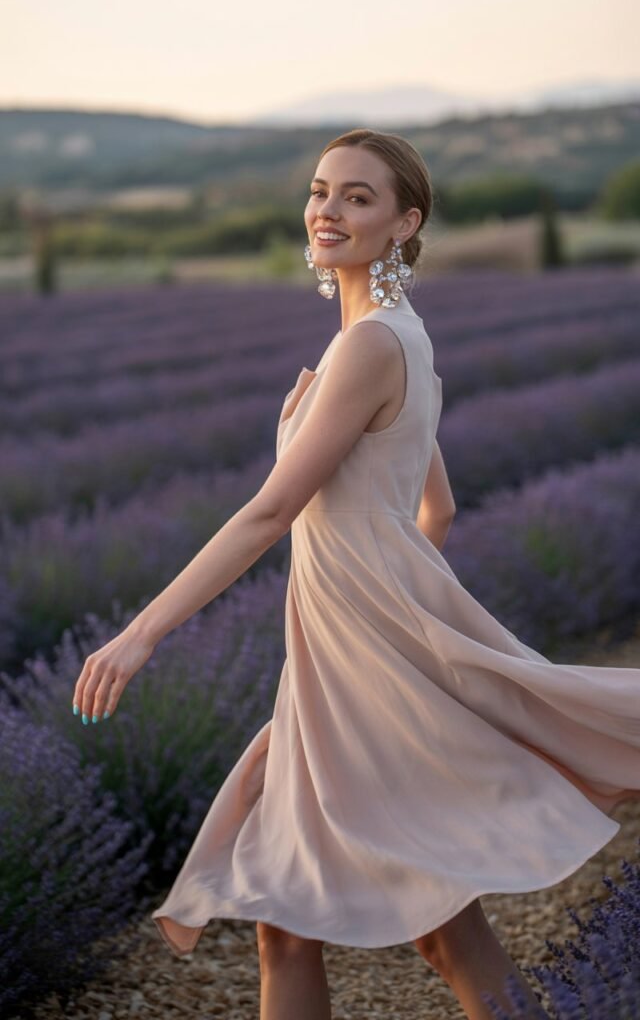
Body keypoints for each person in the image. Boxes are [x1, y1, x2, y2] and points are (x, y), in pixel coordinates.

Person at [72, 129, 640, 1020]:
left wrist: (141, 632)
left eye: (358, 197)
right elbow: (434, 509)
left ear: (404, 223)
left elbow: (269, 513)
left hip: (354, 663)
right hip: (347, 652)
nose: (328, 209)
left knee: (410, 927)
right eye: (319, 190)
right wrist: (392, 606)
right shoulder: (396, 338)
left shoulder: (369, 347)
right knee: (312, 924)